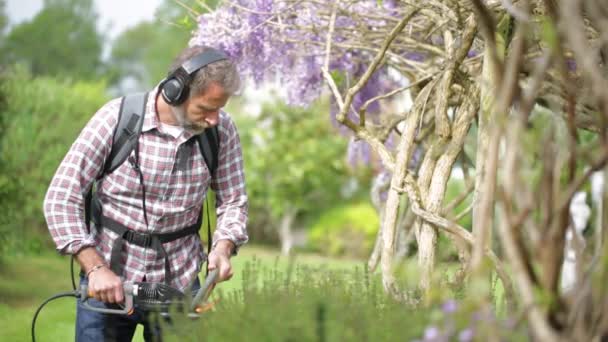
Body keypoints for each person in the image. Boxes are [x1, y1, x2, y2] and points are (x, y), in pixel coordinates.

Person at [43, 45, 249, 341]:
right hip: (108, 282)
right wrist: (96, 267)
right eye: (206, 109)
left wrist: (223, 247)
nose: (215, 119)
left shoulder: (221, 131)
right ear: (176, 91)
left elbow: (233, 201)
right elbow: (61, 197)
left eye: (220, 109)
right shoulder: (116, 119)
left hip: (181, 283)